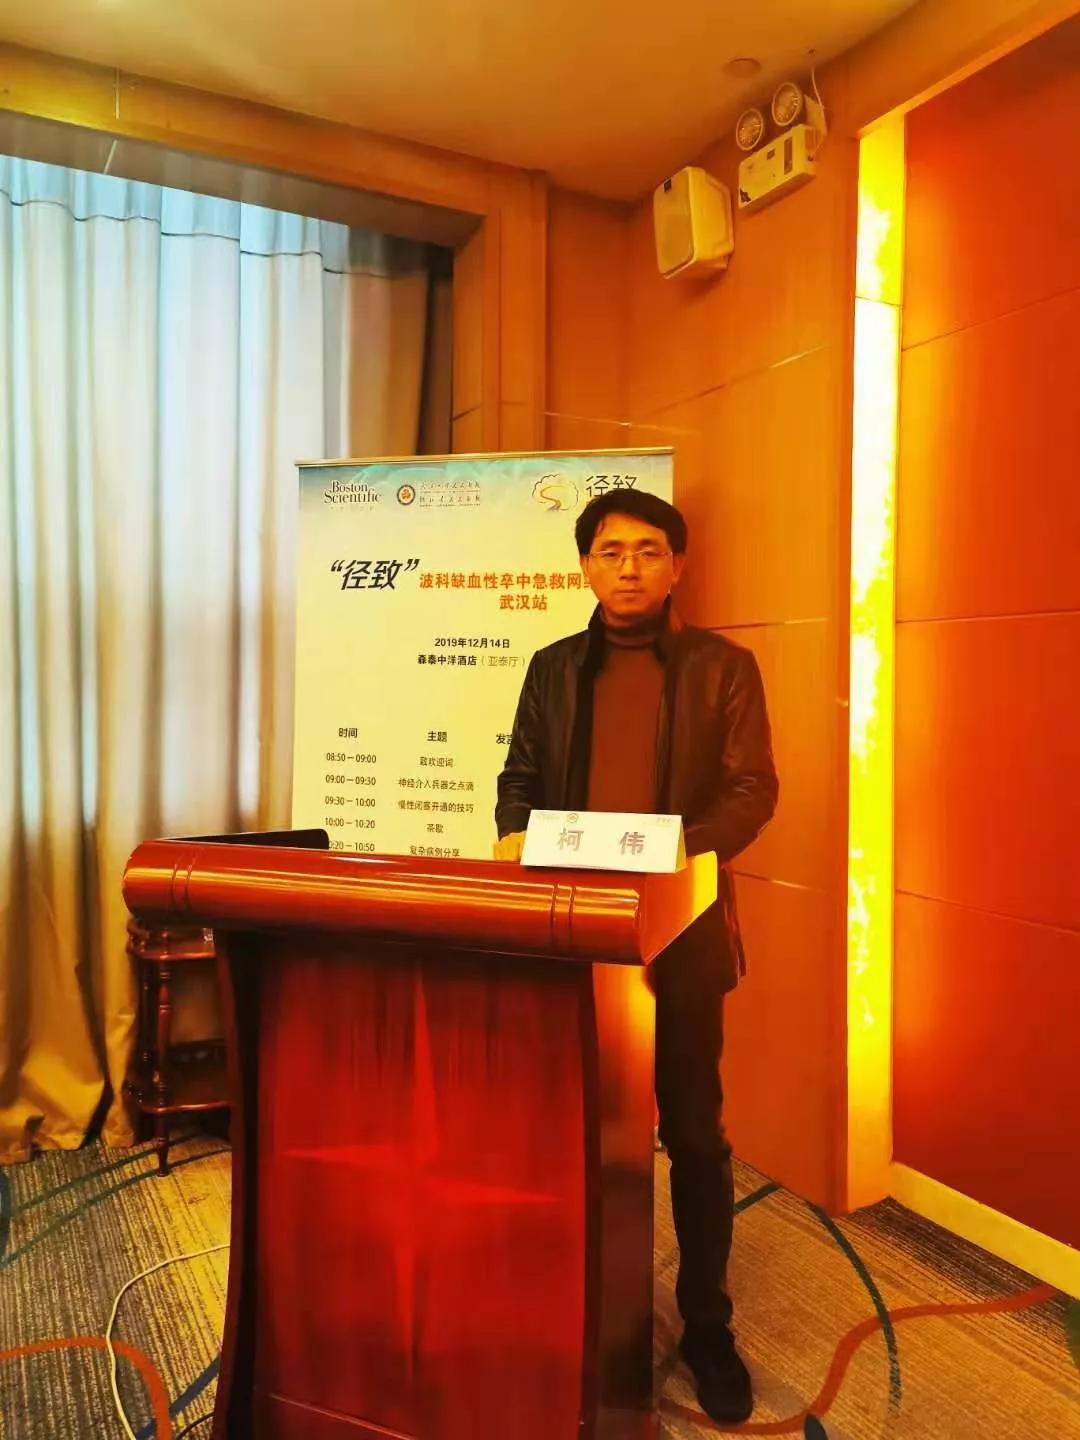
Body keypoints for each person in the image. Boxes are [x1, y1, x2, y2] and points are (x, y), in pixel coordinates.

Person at [493, 488, 778, 1424]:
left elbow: (752, 791)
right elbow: (518, 779)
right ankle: (577, 1302)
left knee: (693, 1135)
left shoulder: (723, 668)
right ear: (584, 566)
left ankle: (707, 1327)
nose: (628, 567)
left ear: (676, 566)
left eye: (648, 550)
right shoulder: (551, 669)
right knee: (574, 1132)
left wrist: (670, 852)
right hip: (574, 935)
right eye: (610, 551)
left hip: (682, 935)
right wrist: (511, 830)